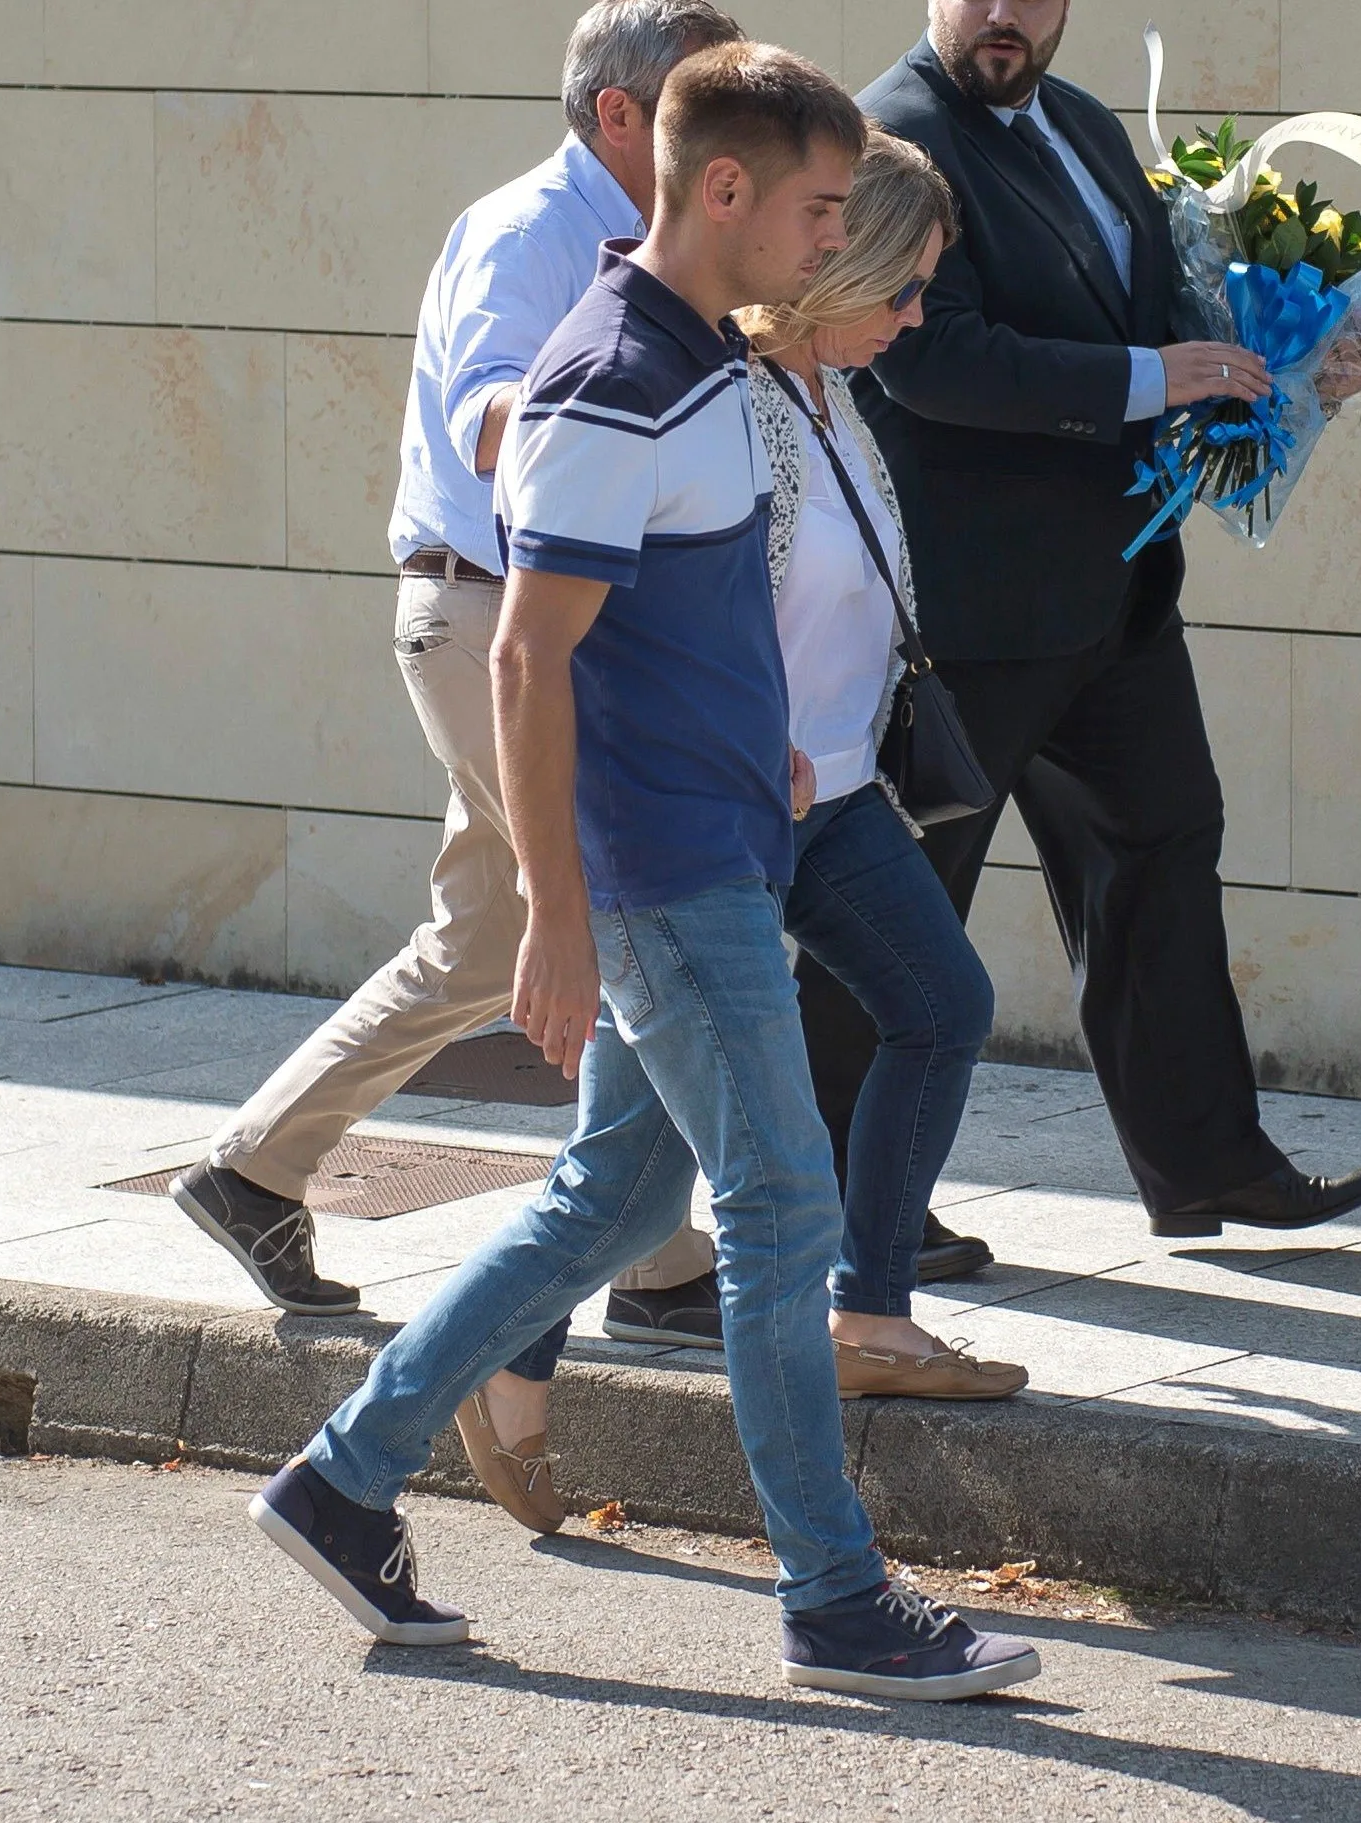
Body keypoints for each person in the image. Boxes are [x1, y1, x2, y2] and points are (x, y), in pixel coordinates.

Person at [248, 41, 1041, 1704]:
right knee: (777, 1212)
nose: (836, 241)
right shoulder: (622, 374)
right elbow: (532, 660)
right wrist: (553, 909)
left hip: (727, 847)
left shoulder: (680, 362)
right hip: (668, 871)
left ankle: (342, 1478)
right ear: (727, 193)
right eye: (823, 207)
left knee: (609, 1200)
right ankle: (835, 1595)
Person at [456, 132, 1024, 1534]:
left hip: (828, 799)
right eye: (906, 289)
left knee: (940, 1002)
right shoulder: (729, 396)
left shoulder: (834, 392)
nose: (913, 321)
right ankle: (479, 1381)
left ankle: (870, 1315)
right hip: (712, 813)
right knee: (623, 1165)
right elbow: (616, 631)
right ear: (844, 260)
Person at [169, 0, 740, 1327]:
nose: (729, 134)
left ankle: (256, 1169)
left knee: (486, 938)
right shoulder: (524, 233)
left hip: (531, 623)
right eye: (697, 103)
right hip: (498, 622)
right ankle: (656, 1263)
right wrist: (586, 411)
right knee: (618, 916)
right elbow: (490, 402)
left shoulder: (657, 244)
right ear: (616, 114)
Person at [826, 0, 1361, 1238]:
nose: (1006, 14)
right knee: (901, 913)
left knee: (1165, 854)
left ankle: (1207, 1166)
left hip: (1118, 600)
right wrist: (1156, 378)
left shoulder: (1083, 124)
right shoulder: (887, 136)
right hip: (965, 622)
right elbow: (932, 361)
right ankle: (855, 1208)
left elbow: (1169, 317)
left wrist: (1302, 361)